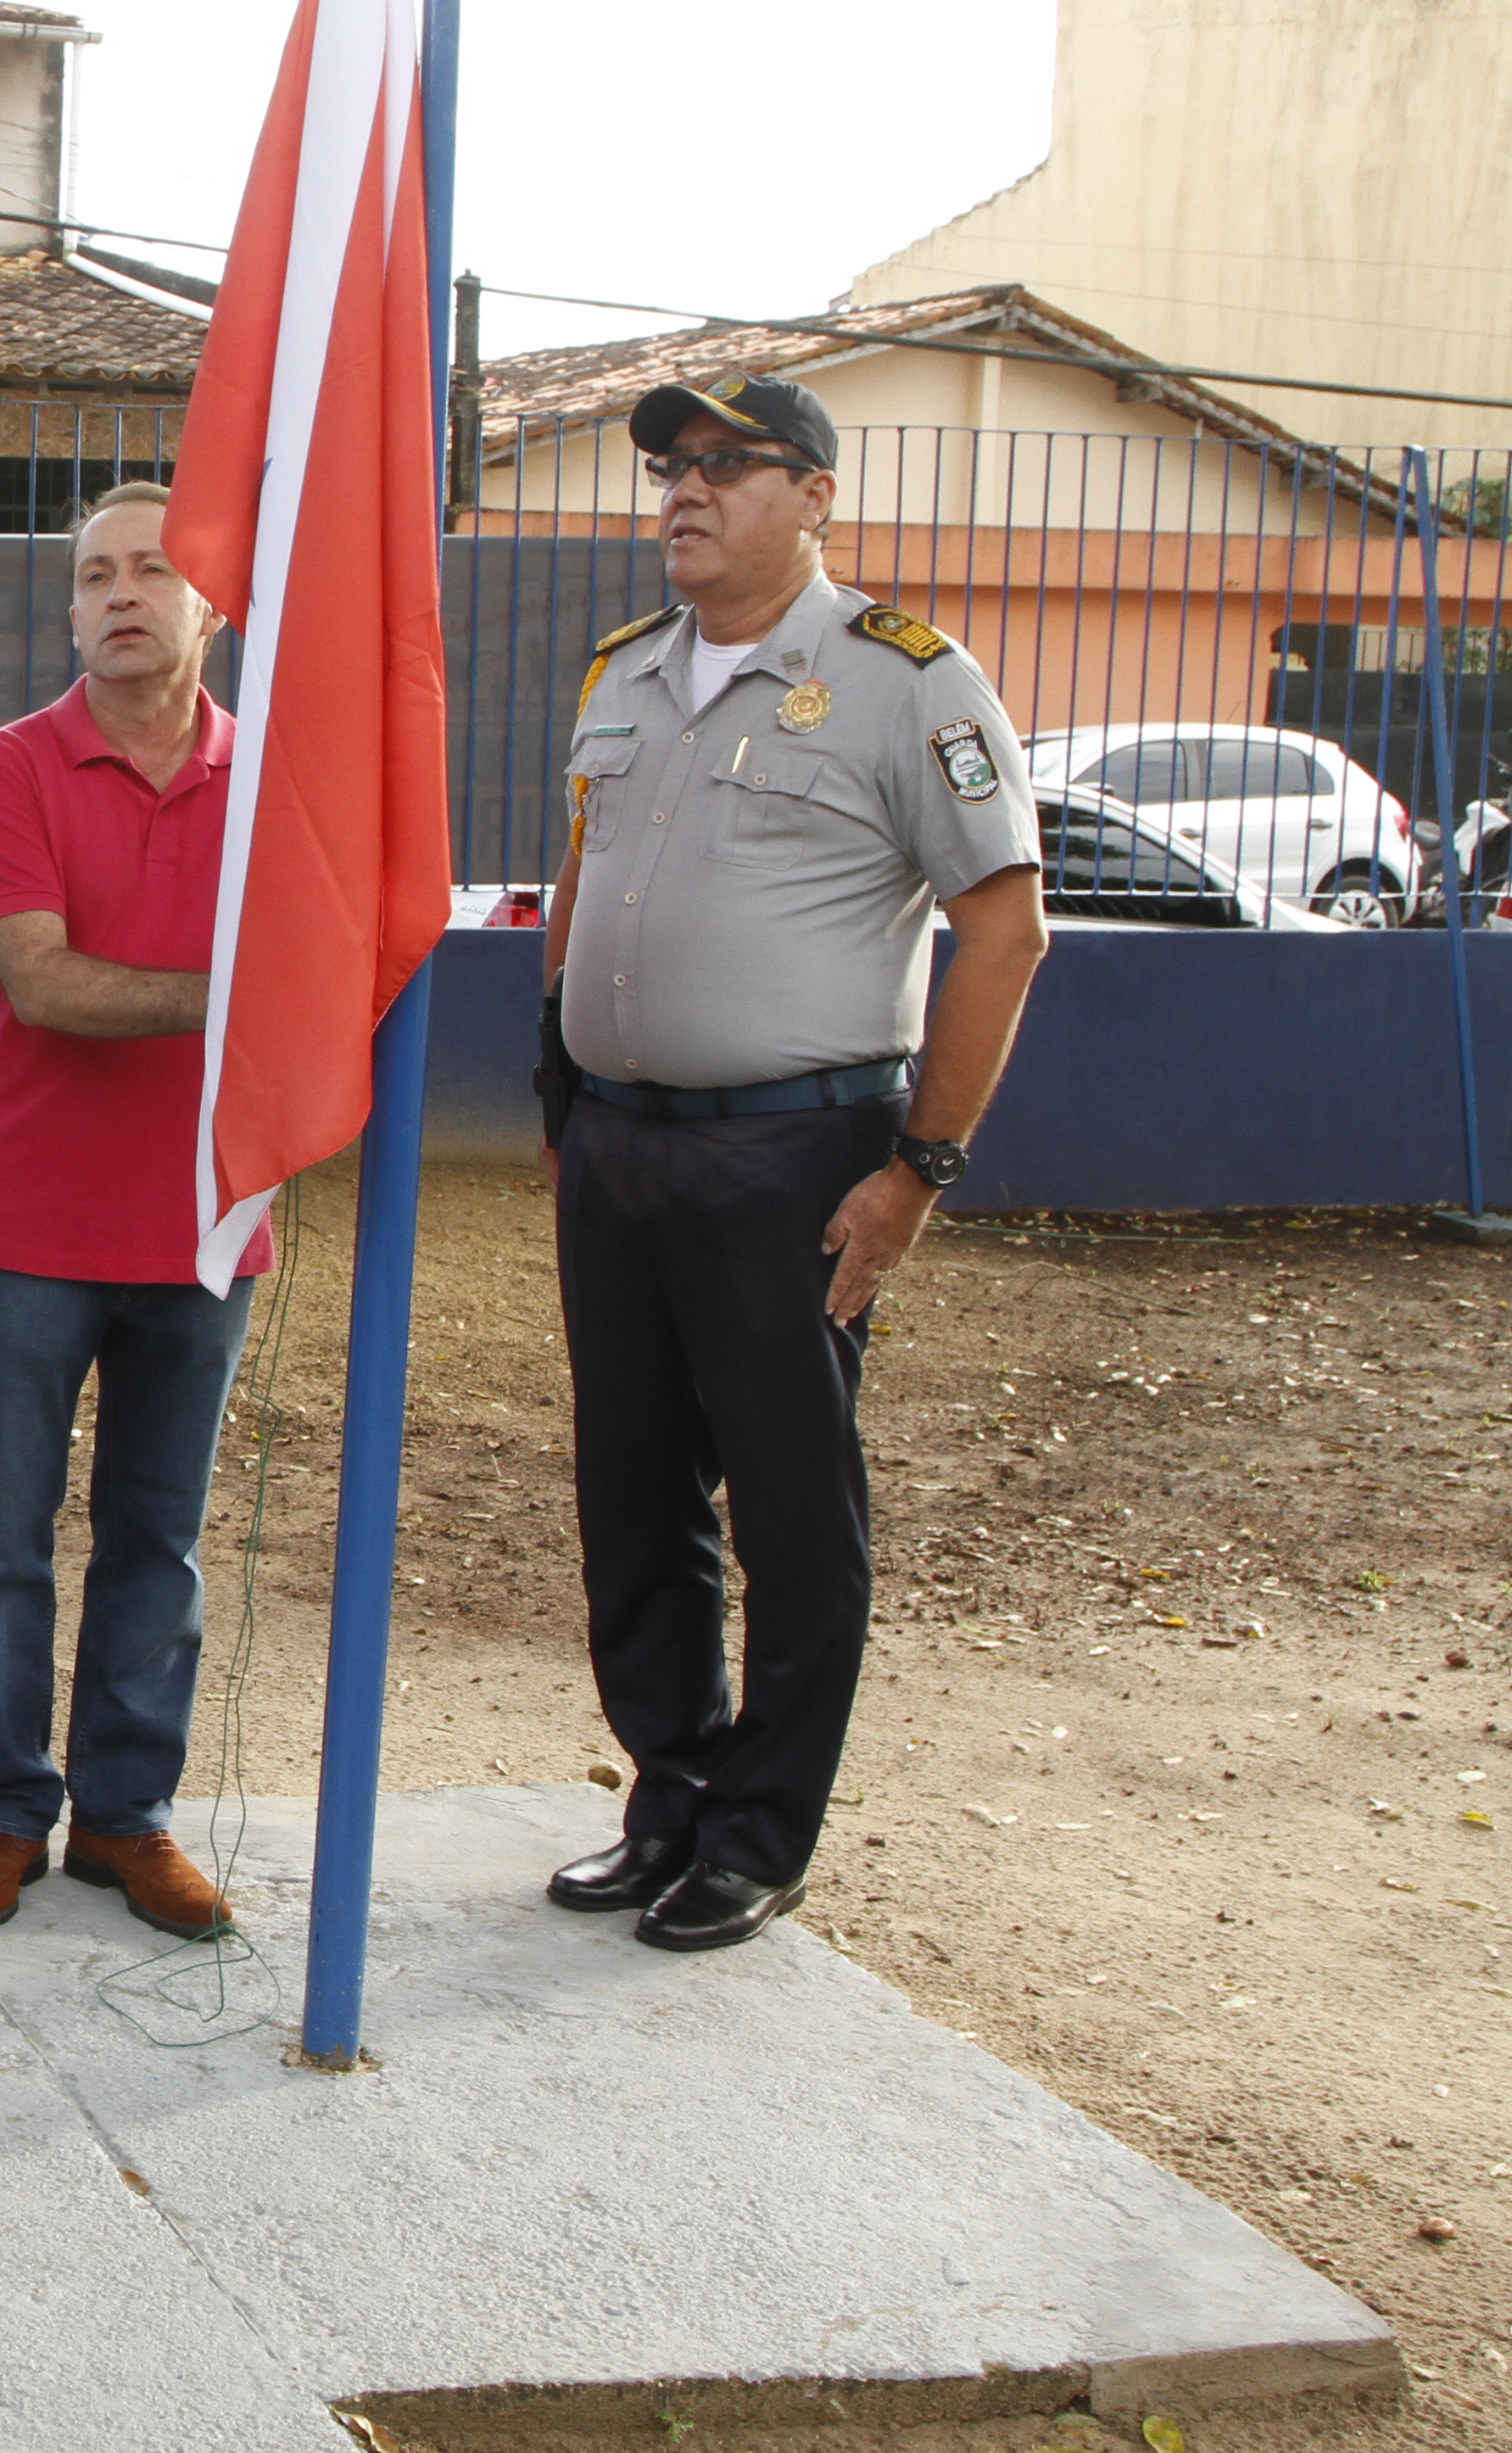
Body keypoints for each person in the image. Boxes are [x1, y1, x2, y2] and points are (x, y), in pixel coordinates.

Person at [536, 374, 1045, 1952]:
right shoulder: (626, 671)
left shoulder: (910, 682)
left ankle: (762, 1831)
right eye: (670, 469)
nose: (684, 491)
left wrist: (921, 1167)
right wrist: (561, 1086)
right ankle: (671, 1797)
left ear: (815, 494)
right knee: (633, 1492)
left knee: (789, 1504)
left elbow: (1005, 930)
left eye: (726, 467)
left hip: (793, 1158)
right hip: (618, 1149)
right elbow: (579, 883)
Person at [0, 488, 260, 1944]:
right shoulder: (8, 769)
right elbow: (45, 983)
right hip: (20, 1227)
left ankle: (128, 1820)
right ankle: (5, 1812)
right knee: (2, 1538)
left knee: (157, 1544)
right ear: (70, 611)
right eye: (94, 576)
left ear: (210, 607)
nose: (122, 594)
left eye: (154, 572)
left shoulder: (275, 780)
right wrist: (251, 1006)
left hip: (203, 1226)